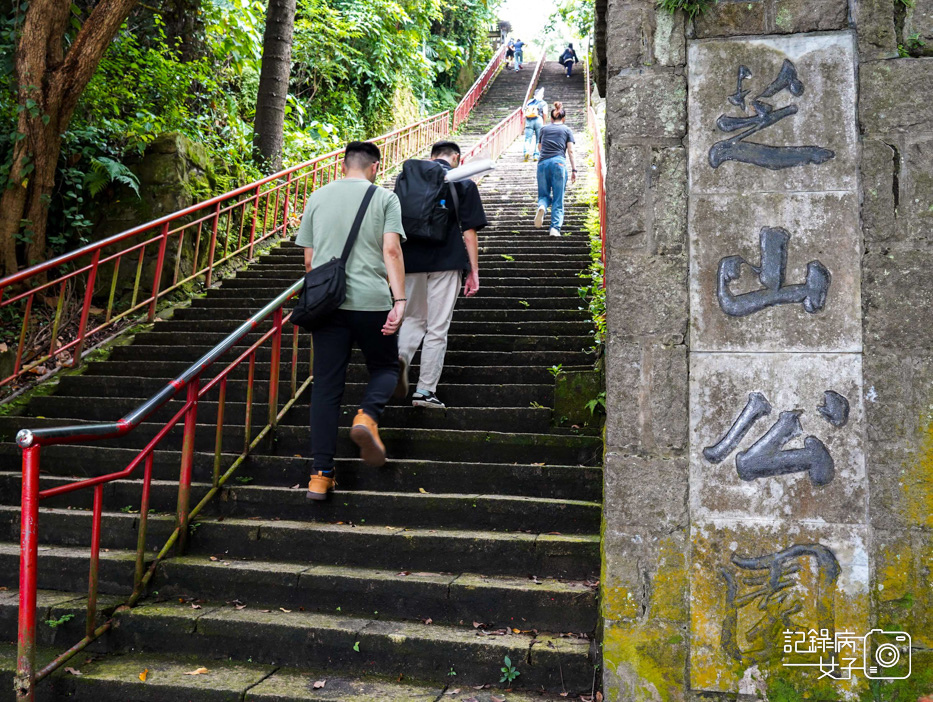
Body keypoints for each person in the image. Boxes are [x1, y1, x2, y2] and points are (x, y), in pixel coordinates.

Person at [294, 141, 407, 501]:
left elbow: (310, 262)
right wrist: (400, 299)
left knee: (326, 389)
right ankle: (366, 417)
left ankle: (320, 475)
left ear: (344, 165)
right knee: (387, 367)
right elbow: (391, 249)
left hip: (329, 306)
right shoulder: (385, 198)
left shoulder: (317, 197)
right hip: (372, 302)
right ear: (375, 166)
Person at [395, 141, 488, 408]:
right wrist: (473, 271)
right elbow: (469, 233)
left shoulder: (409, 180)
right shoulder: (463, 182)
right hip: (447, 262)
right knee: (437, 327)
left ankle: (401, 357)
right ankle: (424, 391)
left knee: (412, 318)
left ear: (432, 156)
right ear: (456, 157)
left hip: (409, 260)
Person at [533, 102, 577, 237]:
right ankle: (555, 228)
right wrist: (574, 170)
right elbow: (570, 151)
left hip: (542, 164)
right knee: (558, 198)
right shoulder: (566, 130)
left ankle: (542, 207)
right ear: (563, 118)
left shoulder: (544, 129)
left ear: (551, 118)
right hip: (559, 164)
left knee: (543, 195)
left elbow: (539, 147)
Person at [523, 88, 547, 162]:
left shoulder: (529, 102)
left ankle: (526, 152)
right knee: (538, 139)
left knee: (527, 138)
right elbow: (545, 113)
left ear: (534, 95)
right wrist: (544, 122)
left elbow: (524, 112)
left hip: (529, 120)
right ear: (542, 96)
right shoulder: (543, 103)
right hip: (538, 119)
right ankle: (536, 155)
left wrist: (525, 121)